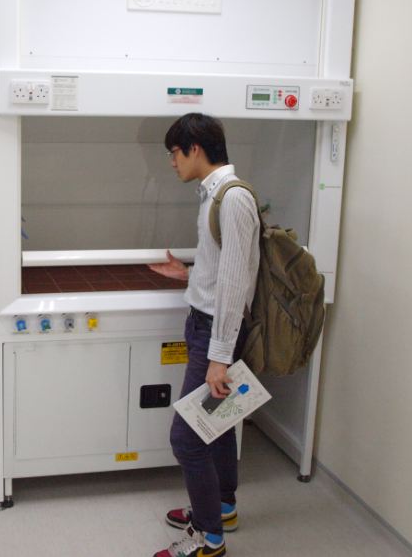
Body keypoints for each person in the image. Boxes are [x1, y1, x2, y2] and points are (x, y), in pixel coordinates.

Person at [149, 113, 260, 557]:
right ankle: (224, 507)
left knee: (187, 436)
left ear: (194, 148)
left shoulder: (232, 199)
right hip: (205, 324)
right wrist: (189, 273)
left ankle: (209, 539)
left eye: (174, 153)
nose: (172, 162)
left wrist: (219, 357)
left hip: (216, 332)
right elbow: (224, 270)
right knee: (218, 422)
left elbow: (234, 286)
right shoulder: (214, 195)